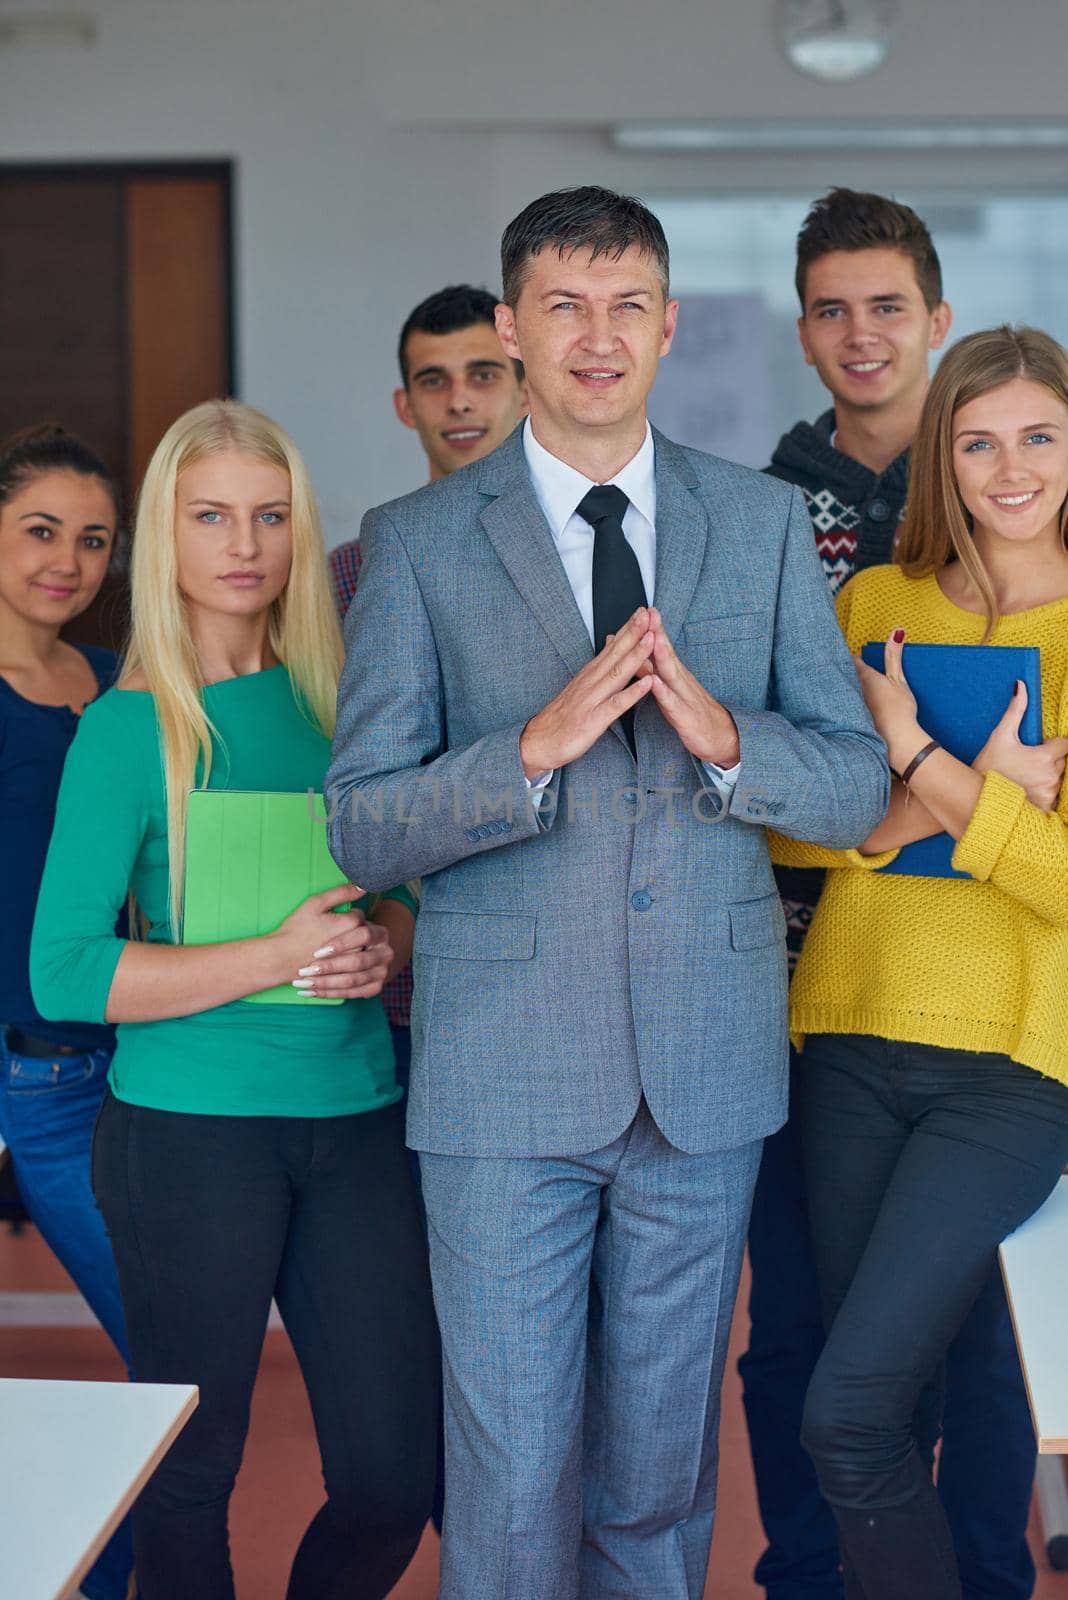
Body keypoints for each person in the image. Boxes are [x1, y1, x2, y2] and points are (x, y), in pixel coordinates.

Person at [325, 185, 888, 1600]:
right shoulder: (416, 541)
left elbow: (854, 789)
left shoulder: (757, 524)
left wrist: (726, 739)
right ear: (513, 327)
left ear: (669, 324)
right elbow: (360, 827)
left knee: (658, 1486)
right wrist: (528, 747)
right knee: (509, 1486)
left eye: (627, 303)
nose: (598, 335)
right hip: (501, 1087)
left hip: (702, 1079)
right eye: (564, 306)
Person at [30, 400, 438, 1600]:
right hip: (183, 1138)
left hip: (358, 1119)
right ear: (168, 535)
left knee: (390, 1476)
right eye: (211, 516)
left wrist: (382, 944)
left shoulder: (348, 709)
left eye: (270, 516)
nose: (244, 543)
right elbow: (67, 971)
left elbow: (404, 886)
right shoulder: (125, 732)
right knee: (191, 1473)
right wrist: (272, 954)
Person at [744, 189, 1040, 1600]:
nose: (1006, 464)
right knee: (827, 1358)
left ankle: (987, 1576)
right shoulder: (801, 547)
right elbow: (803, 807)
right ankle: (818, 1580)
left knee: (968, 1353)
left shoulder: (1015, 550)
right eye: (831, 306)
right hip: (827, 1005)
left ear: (933, 319)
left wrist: (911, 759)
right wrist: (951, 788)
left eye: (1033, 437)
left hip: (1006, 1038)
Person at [329, 283, 528, 1087]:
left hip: (538, 967)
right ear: (405, 405)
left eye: (483, 374)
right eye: (434, 380)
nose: (459, 401)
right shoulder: (348, 572)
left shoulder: (589, 557)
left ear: (524, 384)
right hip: (390, 985)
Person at [0, 423, 134, 1600]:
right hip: (30, 1081)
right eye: (40, 531)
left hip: (139, 1061)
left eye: (91, 540)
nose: (68, 560)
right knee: (175, 1354)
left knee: (182, 1366)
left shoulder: (112, 683)